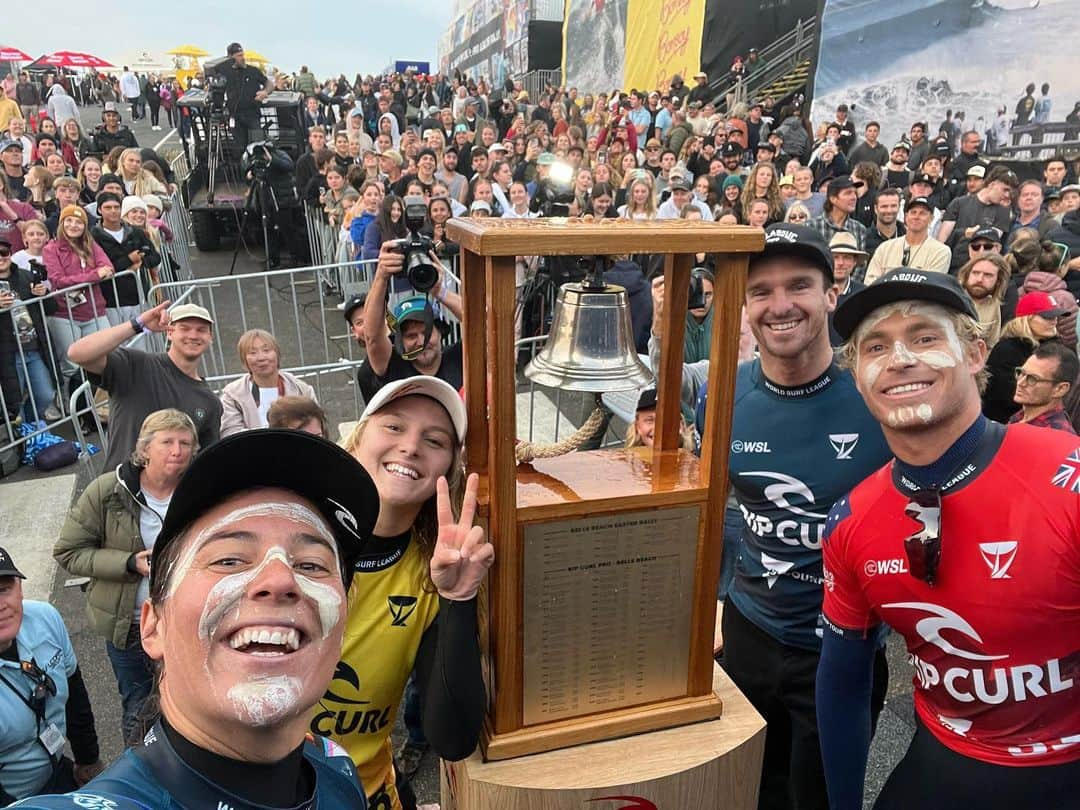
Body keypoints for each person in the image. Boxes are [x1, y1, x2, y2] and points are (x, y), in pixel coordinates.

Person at [650, 224, 892, 809]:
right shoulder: (722, 393)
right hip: (749, 633)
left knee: (822, 799)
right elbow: (715, 502)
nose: (780, 305)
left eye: (799, 286)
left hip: (842, 650)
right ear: (744, 304)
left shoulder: (878, 399)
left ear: (832, 294)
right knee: (749, 790)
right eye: (761, 291)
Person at [819, 270, 1080, 810]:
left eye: (924, 337)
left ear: (976, 354)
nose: (899, 359)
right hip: (945, 764)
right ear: (858, 376)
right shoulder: (851, 522)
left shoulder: (1067, 479)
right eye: (875, 346)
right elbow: (842, 684)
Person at [16, 429, 381, 808]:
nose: (280, 579)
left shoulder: (337, 769)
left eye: (311, 565)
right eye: (229, 559)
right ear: (153, 626)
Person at [334, 376, 490, 809]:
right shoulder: (294, 540)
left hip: (368, 794)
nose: (411, 446)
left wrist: (458, 602)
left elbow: (453, 738)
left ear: (449, 468)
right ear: (357, 439)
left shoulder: (431, 572)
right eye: (394, 427)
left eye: (434, 439)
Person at [53, 409, 198, 743]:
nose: (177, 450)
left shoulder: (199, 489)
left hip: (187, 617)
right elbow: (69, 552)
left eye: (185, 443)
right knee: (139, 707)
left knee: (192, 702)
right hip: (130, 624)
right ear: (144, 449)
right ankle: (139, 777)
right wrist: (129, 562)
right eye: (167, 442)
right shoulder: (108, 491)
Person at [66, 300, 222, 472]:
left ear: (210, 338)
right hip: (120, 488)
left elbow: (207, 462)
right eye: (184, 328)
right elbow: (77, 353)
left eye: (201, 330)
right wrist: (137, 324)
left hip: (170, 495)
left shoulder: (210, 402)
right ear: (169, 332)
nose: (193, 335)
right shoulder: (135, 365)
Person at [0, 546, 102, 802]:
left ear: (20, 588)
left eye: (4, 589)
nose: (1, 606)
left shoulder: (45, 619)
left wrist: (87, 759)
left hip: (58, 772)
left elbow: (75, 694)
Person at [358, 245, 464, 401]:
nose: (421, 342)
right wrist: (381, 276)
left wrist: (440, 292)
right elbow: (372, 337)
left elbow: (482, 323)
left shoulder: (458, 358)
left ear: (440, 331)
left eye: (427, 332)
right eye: (411, 336)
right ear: (400, 341)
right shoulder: (393, 366)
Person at [982, 291, 1067, 423]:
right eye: (1047, 317)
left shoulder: (1057, 349)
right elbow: (1008, 397)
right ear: (1026, 319)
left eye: (1056, 317)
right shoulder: (1007, 350)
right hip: (1005, 425)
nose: (1054, 322)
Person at [219, 329, 319, 437]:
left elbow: (317, 426)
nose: (261, 358)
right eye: (253, 352)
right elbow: (230, 434)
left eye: (266, 350)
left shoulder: (302, 389)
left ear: (277, 354)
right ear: (244, 360)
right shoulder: (232, 395)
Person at [863, 196, 951, 284]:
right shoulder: (885, 248)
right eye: (913, 212)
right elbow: (870, 282)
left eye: (922, 213)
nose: (916, 217)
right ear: (906, 217)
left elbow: (931, 287)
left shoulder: (941, 251)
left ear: (931, 218)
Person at [1010, 341, 1078, 433]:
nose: (1021, 383)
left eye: (1032, 379)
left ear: (1060, 389)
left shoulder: (1057, 436)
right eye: (1021, 373)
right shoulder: (1019, 417)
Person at [220, 43, 273, 151]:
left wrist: (265, 92)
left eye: (242, 55)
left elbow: (269, 83)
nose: (242, 58)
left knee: (257, 148)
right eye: (239, 56)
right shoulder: (225, 73)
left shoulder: (253, 71)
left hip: (252, 115)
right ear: (231, 58)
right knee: (240, 149)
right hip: (235, 116)